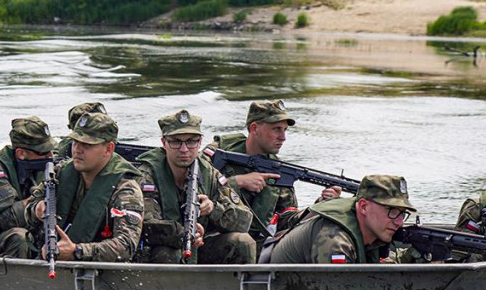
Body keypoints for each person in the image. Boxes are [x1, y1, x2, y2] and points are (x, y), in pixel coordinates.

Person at [211, 99, 341, 250]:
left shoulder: (279, 171)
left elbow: (287, 221)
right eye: (276, 129)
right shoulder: (219, 151)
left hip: (257, 243)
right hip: (212, 237)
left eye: (285, 130)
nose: (283, 137)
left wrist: (320, 205)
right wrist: (236, 182)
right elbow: (192, 186)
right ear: (254, 128)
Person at [134, 109, 255, 264]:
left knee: (243, 242)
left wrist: (213, 209)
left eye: (191, 141)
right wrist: (181, 234)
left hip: (200, 247)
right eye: (176, 142)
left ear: (200, 142)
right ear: (164, 143)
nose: (184, 149)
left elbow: (245, 221)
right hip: (161, 252)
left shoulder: (209, 174)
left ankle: (235, 288)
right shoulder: (147, 175)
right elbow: (144, 225)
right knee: (167, 252)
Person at [24, 112, 144, 262]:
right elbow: (29, 209)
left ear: (108, 149)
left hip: (100, 269)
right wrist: (38, 209)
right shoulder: (60, 172)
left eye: (87, 145)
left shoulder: (125, 189)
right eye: (75, 142)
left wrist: (77, 251)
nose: (77, 149)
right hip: (50, 255)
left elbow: (126, 245)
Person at [267, 175, 414, 264]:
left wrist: (409, 258)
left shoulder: (370, 229)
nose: (399, 222)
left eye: (402, 213)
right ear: (363, 206)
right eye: (392, 211)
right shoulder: (334, 239)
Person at [0, 116, 56, 257]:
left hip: (30, 231)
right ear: (21, 154)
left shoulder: (42, 168)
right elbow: (9, 219)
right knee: (20, 238)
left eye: (50, 150)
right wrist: (41, 198)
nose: (50, 156)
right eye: (43, 152)